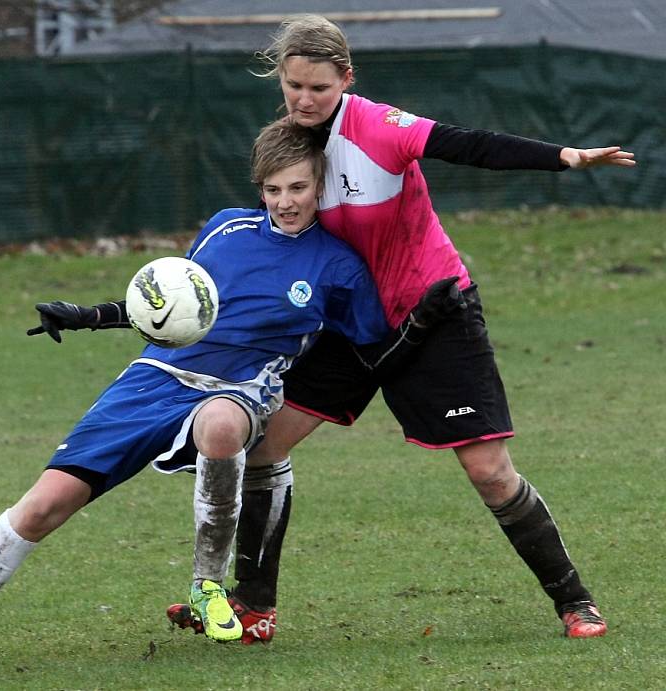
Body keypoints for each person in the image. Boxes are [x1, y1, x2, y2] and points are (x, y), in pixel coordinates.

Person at [0, 119, 463, 666]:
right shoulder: (224, 229)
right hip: (152, 381)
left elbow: (371, 355)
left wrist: (419, 325)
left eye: (298, 187)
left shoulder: (339, 266)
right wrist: (89, 315)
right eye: (272, 189)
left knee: (221, 426)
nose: (285, 201)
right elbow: (173, 307)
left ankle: (207, 585)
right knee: (42, 507)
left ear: (319, 185)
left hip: (240, 388)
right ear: (258, 190)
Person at [168, 14, 636, 644]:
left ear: (347, 79)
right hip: (346, 325)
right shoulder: (289, 146)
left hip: (434, 314)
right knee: (263, 447)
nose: (305, 100)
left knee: (490, 471)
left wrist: (565, 157)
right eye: (294, 86)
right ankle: (254, 606)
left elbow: (466, 143)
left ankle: (574, 601)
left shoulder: (379, 127)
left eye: (319, 88)